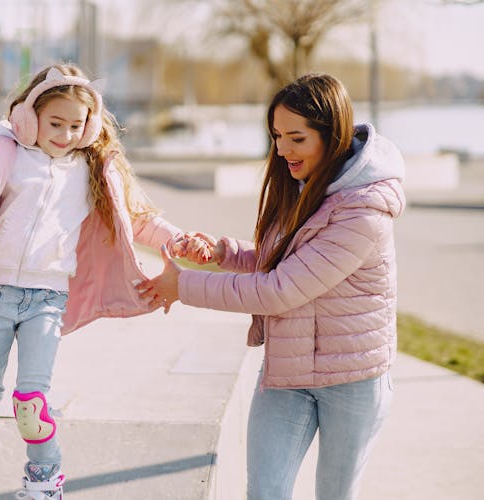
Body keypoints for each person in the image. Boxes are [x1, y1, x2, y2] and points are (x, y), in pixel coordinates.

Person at [0, 63, 197, 500]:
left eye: (76, 126)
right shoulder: (5, 158)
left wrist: (182, 241)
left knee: (30, 406)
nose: (64, 134)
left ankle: (44, 481)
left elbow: (137, 220)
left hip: (47, 298)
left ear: (90, 126)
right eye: (54, 123)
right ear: (28, 118)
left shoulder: (93, 170)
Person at [137, 73, 405, 500]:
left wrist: (182, 286)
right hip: (289, 372)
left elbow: (280, 290)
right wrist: (222, 254)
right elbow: (283, 259)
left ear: (331, 134)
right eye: (277, 136)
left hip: (353, 378)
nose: (281, 150)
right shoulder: (302, 185)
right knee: (265, 493)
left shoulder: (365, 211)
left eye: (295, 138)